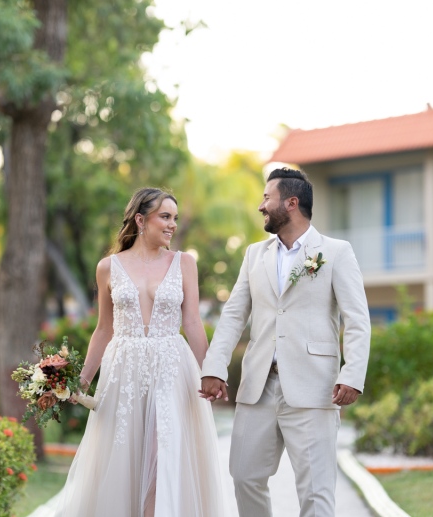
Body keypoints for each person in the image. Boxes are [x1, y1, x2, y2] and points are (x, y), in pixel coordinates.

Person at [199, 167, 371, 517]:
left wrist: (352, 374)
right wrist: (215, 367)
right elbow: (233, 315)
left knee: (315, 491)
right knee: (245, 477)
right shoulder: (253, 255)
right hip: (258, 386)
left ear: (291, 203)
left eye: (267, 198)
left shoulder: (336, 252)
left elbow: (356, 319)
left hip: (315, 386)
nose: (261, 205)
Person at [55, 188, 225, 517]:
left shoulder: (184, 262)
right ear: (140, 220)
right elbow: (104, 329)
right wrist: (82, 381)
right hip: (124, 373)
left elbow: (192, 323)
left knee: (163, 460)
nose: (172, 225)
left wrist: (211, 372)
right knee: (124, 460)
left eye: (174, 218)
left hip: (172, 371)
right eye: (165, 217)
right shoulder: (108, 267)